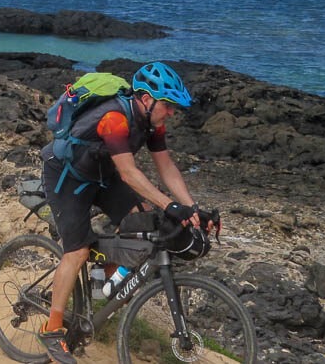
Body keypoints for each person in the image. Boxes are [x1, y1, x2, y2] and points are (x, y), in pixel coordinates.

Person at [36, 61, 206, 364]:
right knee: (76, 252)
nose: (171, 112)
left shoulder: (153, 123)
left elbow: (166, 167)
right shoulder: (114, 119)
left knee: (140, 219)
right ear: (145, 99)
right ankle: (52, 330)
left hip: (102, 176)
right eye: (167, 105)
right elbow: (129, 173)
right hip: (68, 178)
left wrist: (191, 207)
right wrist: (170, 206)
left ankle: (102, 284)